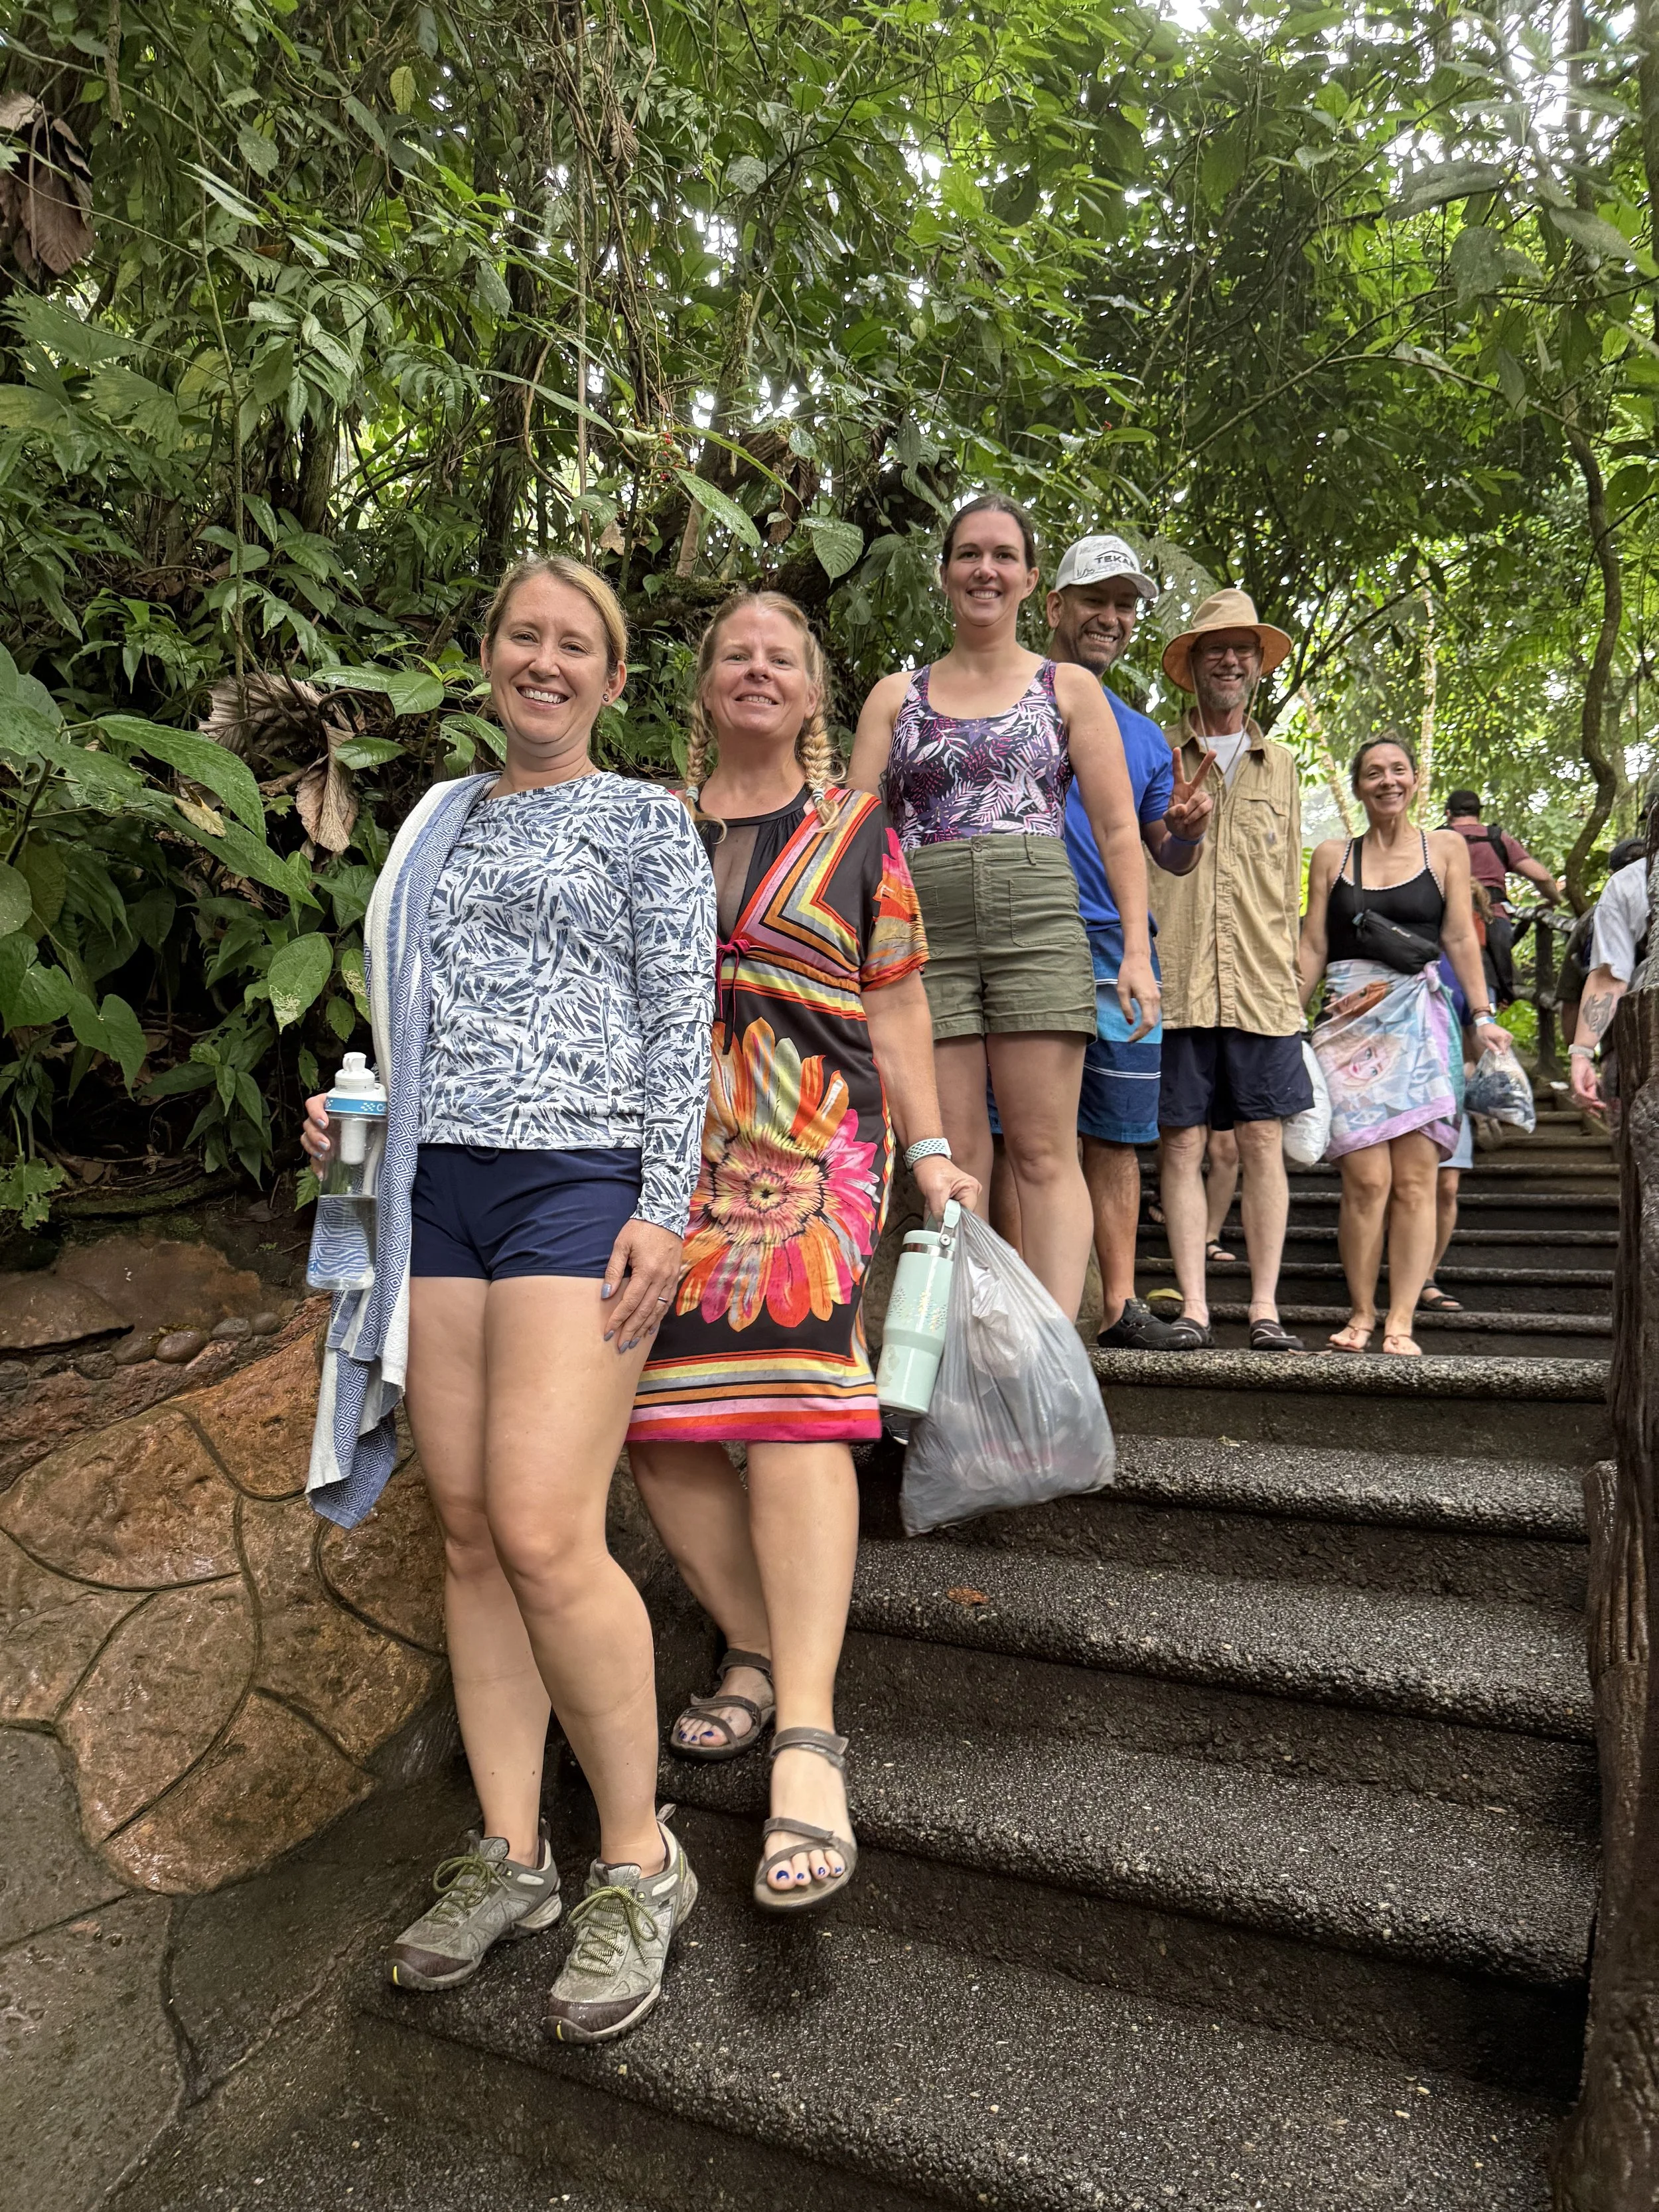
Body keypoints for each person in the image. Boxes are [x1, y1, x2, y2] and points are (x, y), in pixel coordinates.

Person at [303, 557, 715, 2043]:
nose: (544, 661)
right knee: (471, 1527)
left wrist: (664, 1204)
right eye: (522, 637)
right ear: (488, 658)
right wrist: (350, 1117)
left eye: (574, 644)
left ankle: (639, 1860)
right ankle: (511, 1850)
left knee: (545, 1527)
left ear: (612, 678)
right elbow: (415, 1013)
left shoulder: (645, 820)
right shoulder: (443, 819)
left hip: (578, 1185)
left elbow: (684, 1020)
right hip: (436, 1185)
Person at [628, 591, 979, 1913]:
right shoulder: (647, 825)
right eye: (736, 651)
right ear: (704, 682)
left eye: (782, 655)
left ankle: (807, 1735)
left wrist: (930, 1150)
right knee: (656, 1429)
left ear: (814, 693)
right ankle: (757, 1643)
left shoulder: (858, 829)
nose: (757, 668)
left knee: (790, 1420)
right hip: (666, 1175)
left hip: (820, 1162)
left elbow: (900, 1005)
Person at [848, 496, 1158, 1321]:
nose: (985, 570)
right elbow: (852, 833)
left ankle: (1049, 1351)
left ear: (1029, 581)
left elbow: (1119, 830)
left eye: (1003, 556)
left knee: (1044, 1151)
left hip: (1039, 922)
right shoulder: (895, 696)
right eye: (969, 554)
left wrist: (1134, 951)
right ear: (945, 572)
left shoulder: (1068, 687)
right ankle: (960, 1346)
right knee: (954, 1157)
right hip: (923, 931)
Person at [985, 533, 1214, 1349]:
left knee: (1117, 1131)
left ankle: (1118, 1304)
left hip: (1116, 950)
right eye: (1095, 600)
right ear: (1054, 605)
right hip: (1017, 938)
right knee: (1015, 1131)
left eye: (1124, 605)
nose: (1111, 617)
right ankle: (1017, 1302)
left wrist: (1187, 830)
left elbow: (1163, 854)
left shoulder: (1143, 736)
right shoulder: (1001, 706)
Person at [1298, 736, 1504, 1354]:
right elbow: (1313, 944)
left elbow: (1460, 938)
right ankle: (1362, 1313)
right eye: (1373, 773)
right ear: (1358, 787)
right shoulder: (1333, 855)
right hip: (1348, 1024)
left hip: (1419, 1021)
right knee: (1366, 1179)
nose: (1387, 781)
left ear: (1415, 779)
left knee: (1416, 1181)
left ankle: (1401, 1321)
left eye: (1398, 770)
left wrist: (1483, 1015)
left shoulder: (1445, 848)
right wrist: (1286, 1017)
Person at [1148, 588, 1312, 1353]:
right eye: (1214, 648)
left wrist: (1294, 982)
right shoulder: (1157, 755)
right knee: (1181, 1145)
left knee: (1261, 1142)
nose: (1229, 659)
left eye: (1242, 648)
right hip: (1177, 978)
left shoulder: (1283, 767)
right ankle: (1194, 1307)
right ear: (1192, 665)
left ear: (1256, 665)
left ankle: (1265, 1308)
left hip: (1261, 985)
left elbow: (1289, 885)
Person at [1443, 790, 1563, 1005]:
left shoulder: (1437, 840)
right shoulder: (1496, 838)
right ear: (1479, 813)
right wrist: (1554, 900)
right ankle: (1495, 1007)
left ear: (1448, 813)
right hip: (1494, 917)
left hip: (1449, 920)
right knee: (1495, 983)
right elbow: (1542, 877)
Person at [1571, 848, 1650, 1119]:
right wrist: (1581, 1051)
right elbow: (1609, 978)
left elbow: (1609, 977)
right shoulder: (1629, 884)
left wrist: (1581, 1053)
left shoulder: (1628, 882)